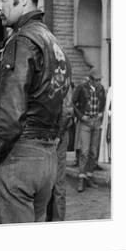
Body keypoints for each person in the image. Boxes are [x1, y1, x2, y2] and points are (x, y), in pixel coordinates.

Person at [0, 0, 72, 224]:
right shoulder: (53, 42)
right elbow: (65, 108)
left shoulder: (21, 42)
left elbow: (9, 118)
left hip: (18, 160)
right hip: (47, 160)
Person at [72, 68, 106, 192]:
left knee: (93, 152)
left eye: (99, 80)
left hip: (96, 122)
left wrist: (101, 113)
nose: (98, 82)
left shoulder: (101, 89)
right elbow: (73, 103)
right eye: (96, 80)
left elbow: (103, 102)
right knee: (84, 152)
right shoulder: (81, 88)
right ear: (90, 79)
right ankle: (81, 179)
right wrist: (81, 116)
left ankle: (89, 176)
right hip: (85, 123)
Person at [46, 84, 73, 221]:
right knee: (44, 181)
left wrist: (58, 135)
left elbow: (67, 111)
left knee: (58, 182)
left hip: (57, 135)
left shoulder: (62, 76)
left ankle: (57, 222)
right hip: (43, 133)